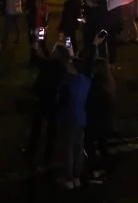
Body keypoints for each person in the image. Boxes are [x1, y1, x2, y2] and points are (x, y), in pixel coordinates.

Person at [56, 57, 91, 190]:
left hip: (69, 118)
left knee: (68, 150)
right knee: (78, 149)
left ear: (74, 68)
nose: (68, 65)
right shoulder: (86, 81)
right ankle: (77, 177)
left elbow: (61, 101)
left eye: (70, 64)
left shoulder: (67, 83)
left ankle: (68, 178)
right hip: (81, 118)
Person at [84, 58, 114, 184]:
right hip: (106, 119)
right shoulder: (109, 82)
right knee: (103, 144)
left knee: (89, 143)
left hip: (95, 119)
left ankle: (95, 169)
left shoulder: (96, 84)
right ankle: (104, 168)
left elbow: (91, 102)